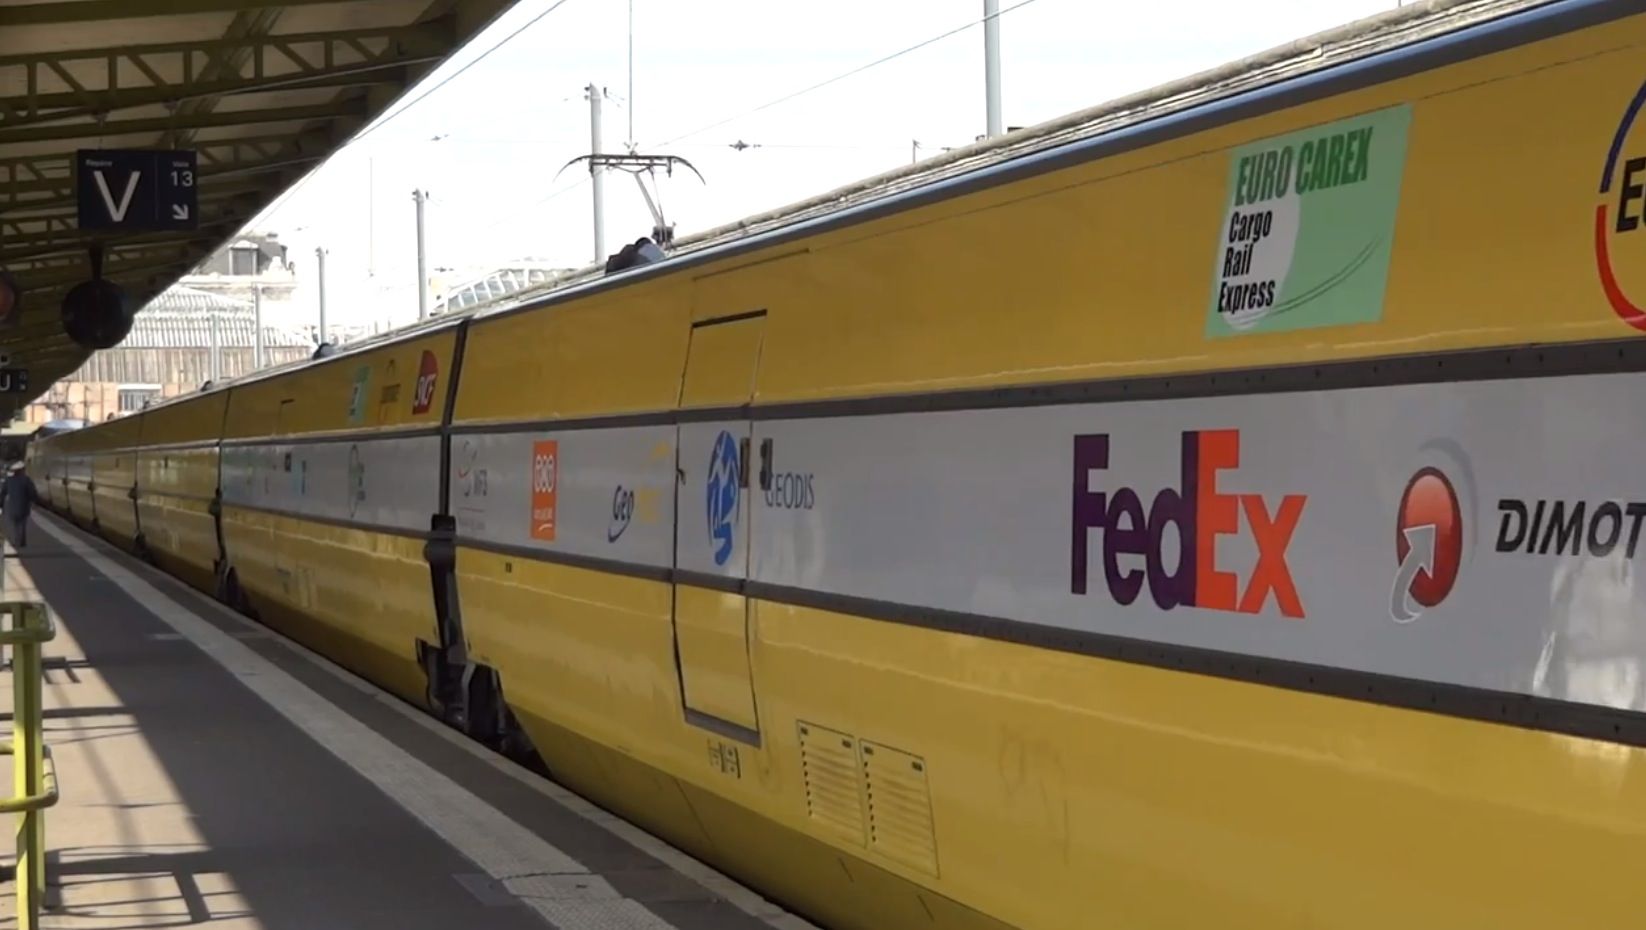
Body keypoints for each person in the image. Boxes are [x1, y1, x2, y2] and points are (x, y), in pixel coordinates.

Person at [0, 462, 41, 549]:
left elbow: (3, 493)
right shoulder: (26, 480)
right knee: (22, 523)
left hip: (12, 506)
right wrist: (35, 501)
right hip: (23, 506)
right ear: (21, 470)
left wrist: (1, 504)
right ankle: (21, 541)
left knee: (15, 524)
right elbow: (32, 492)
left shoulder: (8, 480)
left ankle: (16, 540)